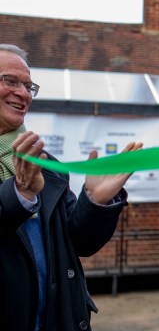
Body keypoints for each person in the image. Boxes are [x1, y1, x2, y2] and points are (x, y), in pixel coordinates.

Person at [0, 44, 143, 331]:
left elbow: (80, 243)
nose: (24, 93)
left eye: (29, 86)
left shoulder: (47, 165)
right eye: (10, 81)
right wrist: (19, 195)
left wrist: (95, 203)